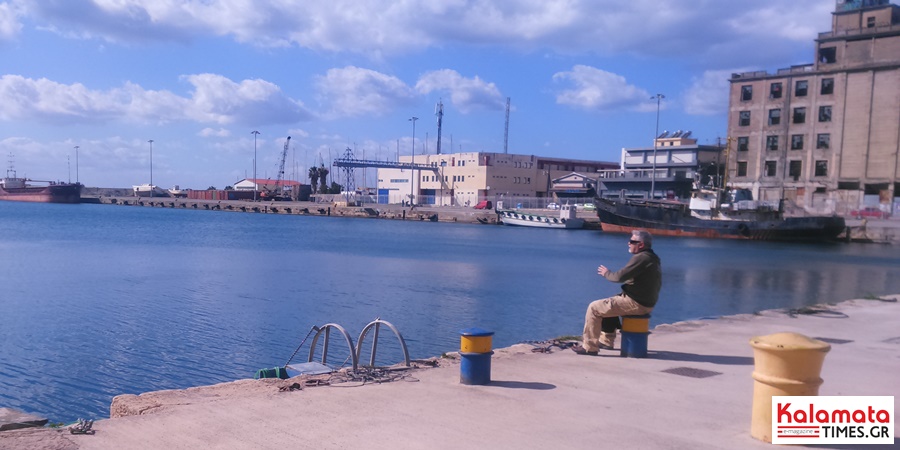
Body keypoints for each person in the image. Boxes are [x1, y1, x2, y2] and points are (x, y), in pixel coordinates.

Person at [573, 229, 662, 355]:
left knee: (594, 308)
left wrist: (606, 273)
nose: (628, 243)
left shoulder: (641, 258)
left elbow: (618, 277)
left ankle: (589, 347)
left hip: (638, 303)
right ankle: (606, 341)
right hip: (646, 302)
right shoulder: (652, 257)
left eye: (632, 241)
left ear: (641, 244)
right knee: (611, 301)